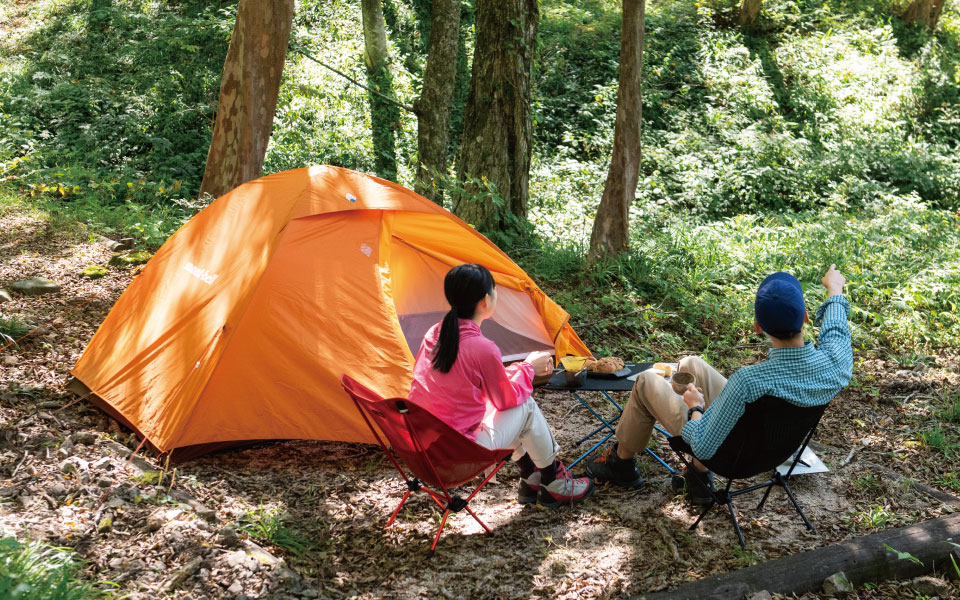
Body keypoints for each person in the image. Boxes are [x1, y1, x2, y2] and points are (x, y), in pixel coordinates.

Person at [585, 265, 852, 505]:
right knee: (691, 364)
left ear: (758, 327)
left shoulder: (749, 381)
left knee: (645, 381)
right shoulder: (834, 365)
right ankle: (696, 479)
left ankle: (621, 464)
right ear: (805, 317)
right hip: (772, 448)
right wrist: (835, 288)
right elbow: (836, 330)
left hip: (731, 457)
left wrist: (696, 408)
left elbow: (702, 444)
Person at [408, 263, 595, 508]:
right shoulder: (481, 347)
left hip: (426, 449)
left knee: (500, 406)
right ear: (485, 300)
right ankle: (554, 481)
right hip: (459, 454)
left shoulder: (436, 332)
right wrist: (529, 368)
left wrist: (518, 371)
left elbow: (479, 385)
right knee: (524, 405)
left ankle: (531, 475)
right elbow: (506, 399)